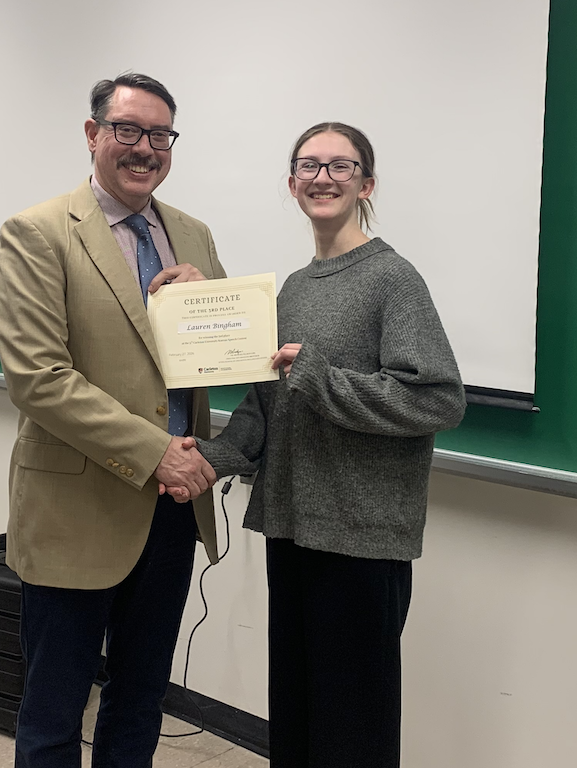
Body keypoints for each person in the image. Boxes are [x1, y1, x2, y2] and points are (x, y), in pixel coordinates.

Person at [172, 122, 466, 767]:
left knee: (352, 724)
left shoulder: (394, 278)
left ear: (366, 184)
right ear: (291, 183)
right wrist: (207, 461)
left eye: (340, 166)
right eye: (309, 166)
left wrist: (318, 378)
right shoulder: (294, 290)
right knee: (300, 711)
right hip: (292, 527)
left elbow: (437, 399)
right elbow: (267, 409)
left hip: (360, 535)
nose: (322, 178)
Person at [0, 73, 225, 768]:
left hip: (172, 506)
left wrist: (212, 304)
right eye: (127, 130)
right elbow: (39, 378)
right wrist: (158, 451)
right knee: (55, 706)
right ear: (94, 135)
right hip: (76, 505)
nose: (144, 148)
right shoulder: (36, 233)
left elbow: (221, 355)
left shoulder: (193, 233)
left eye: (160, 135)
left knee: (140, 695)